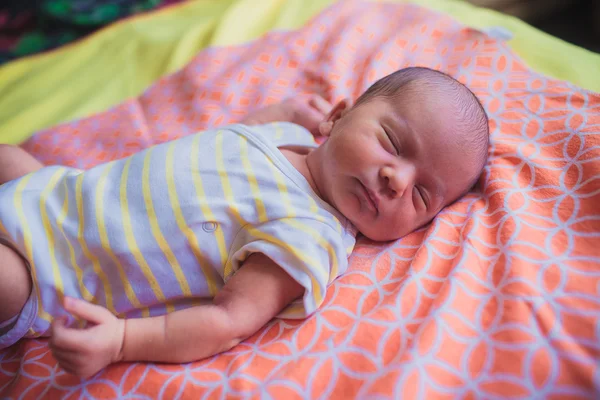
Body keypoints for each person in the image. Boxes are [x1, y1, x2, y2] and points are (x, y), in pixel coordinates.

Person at [0, 67, 489, 378]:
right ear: (336, 118)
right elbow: (237, 134)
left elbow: (226, 322)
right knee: (6, 157)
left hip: (48, 271)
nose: (396, 180)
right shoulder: (283, 135)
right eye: (390, 142)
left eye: (422, 195)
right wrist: (292, 111)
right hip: (57, 190)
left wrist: (121, 342)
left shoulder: (306, 235)